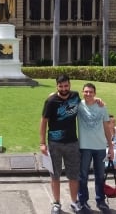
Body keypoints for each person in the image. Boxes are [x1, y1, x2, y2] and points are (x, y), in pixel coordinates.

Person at [40, 74, 82, 214]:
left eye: (66, 86)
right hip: (55, 143)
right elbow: (44, 122)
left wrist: (98, 101)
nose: (64, 89)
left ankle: (74, 202)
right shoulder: (51, 101)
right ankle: (56, 203)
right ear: (56, 86)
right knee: (55, 175)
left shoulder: (75, 96)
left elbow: (85, 107)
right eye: (61, 86)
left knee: (73, 175)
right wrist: (42, 143)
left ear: (69, 84)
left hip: (72, 142)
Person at [77, 83, 114, 214]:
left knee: (100, 175)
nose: (88, 94)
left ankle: (101, 201)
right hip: (84, 146)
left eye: (91, 92)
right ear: (82, 92)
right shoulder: (78, 105)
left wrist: (110, 146)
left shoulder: (102, 107)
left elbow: (106, 127)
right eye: (86, 92)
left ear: (95, 93)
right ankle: (82, 201)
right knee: (83, 176)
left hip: (100, 147)